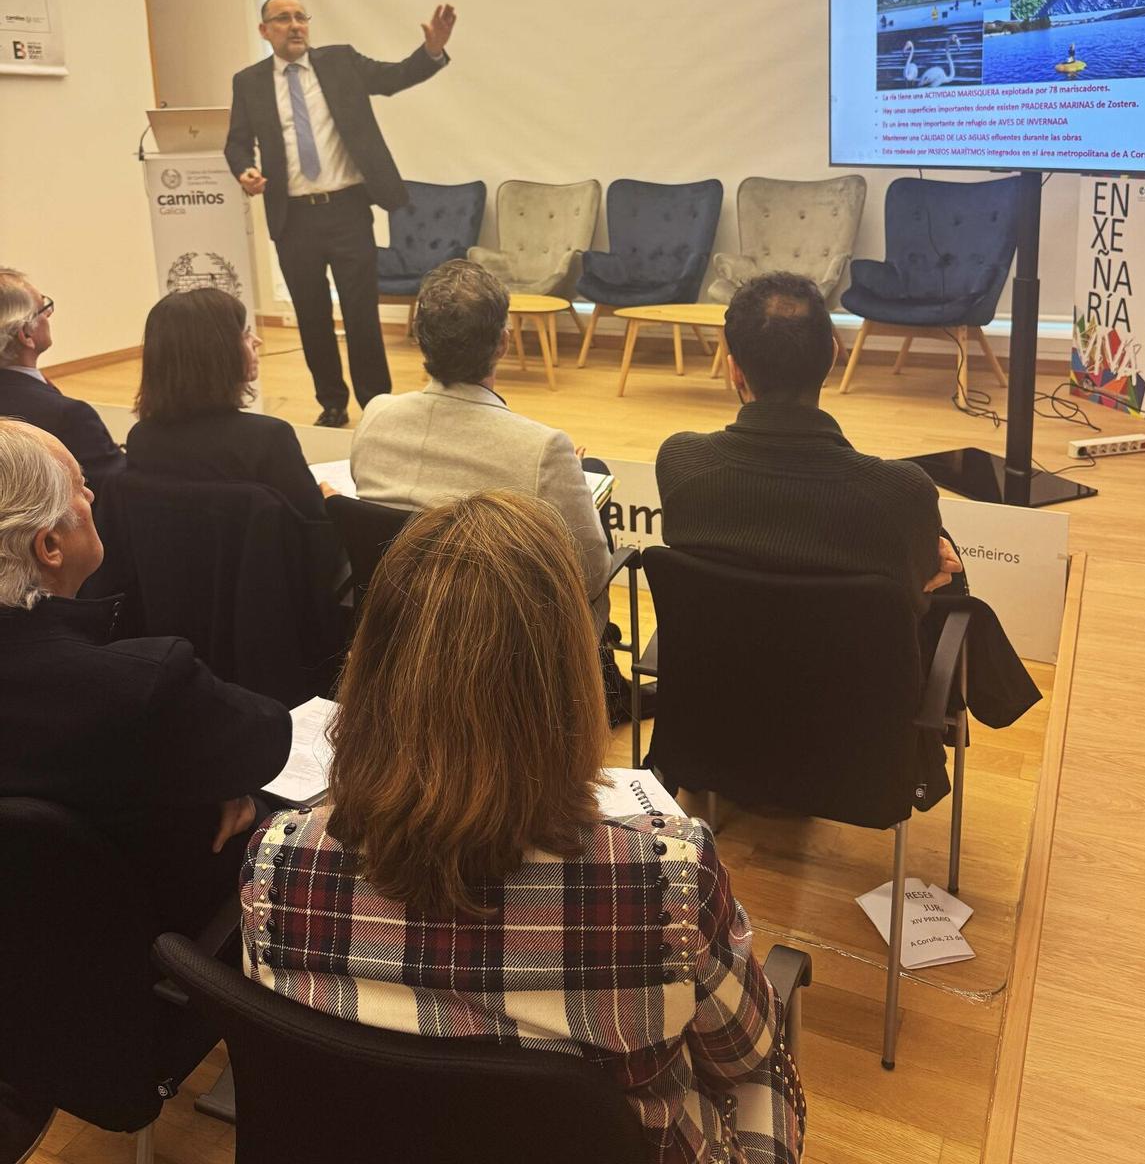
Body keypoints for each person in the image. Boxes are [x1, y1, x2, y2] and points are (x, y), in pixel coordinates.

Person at [241, 492, 804, 1163]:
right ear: (569, 677)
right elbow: (747, 1048)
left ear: (373, 666)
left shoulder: (276, 866)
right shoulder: (665, 884)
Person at [656, 272, 1041, 797]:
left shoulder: (680, 462)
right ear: (834, 356)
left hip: (717, 731)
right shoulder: (899, 492)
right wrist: (923, 574)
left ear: (732, 371)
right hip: (861, 756)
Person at [0, 420, 291, 934]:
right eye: (77, 486)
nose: (93, 493)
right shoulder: (139, 687)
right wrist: (216, 774)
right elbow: (268, 737)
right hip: (141, 940)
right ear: (50, 547)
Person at [224, 0, 457, 427]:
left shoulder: (340, 61)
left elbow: (395, 76)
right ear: (264, 31)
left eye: (301, 17)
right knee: (311, 316)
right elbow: (236, 142)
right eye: (283, 19)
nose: (295, 25)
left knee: (361, 312)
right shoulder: (249, 82)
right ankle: (331, 403)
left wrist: (432, 50)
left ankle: (377, 405)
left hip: (348, 209)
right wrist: (245, 170)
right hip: (293, 217)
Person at [351, 259, 612, 636]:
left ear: (419, 337)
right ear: (504, 342)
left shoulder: (375, 415)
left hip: (395, 633)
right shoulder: (544, 450)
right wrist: (562, 477)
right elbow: (590, 577)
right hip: (503, 650)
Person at [126, 287, 332, 519]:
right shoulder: (269, 439)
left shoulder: (141, 439)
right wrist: (331, 501)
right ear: (216, 351)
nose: (258, 341)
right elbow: (316, 534)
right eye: (245, 334)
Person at [0, 267, 125, 491]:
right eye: (43, 308)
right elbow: (115, 488)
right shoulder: (69, 416)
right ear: (26, 334)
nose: (49, 315)